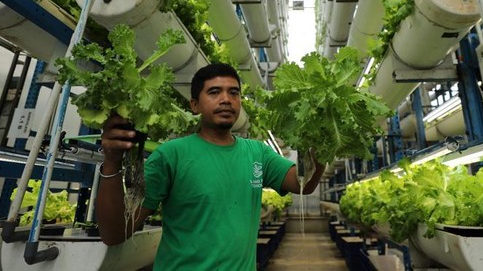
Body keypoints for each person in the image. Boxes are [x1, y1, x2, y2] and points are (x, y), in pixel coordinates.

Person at [96, 63, 325, 270]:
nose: (226, 99)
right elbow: (116, 233)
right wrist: (112, 162)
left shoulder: (258, 153)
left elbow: (302, 182)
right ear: (194, 105)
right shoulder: (170, 155)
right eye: (214, 92)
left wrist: (321, 145)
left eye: (233, 93)